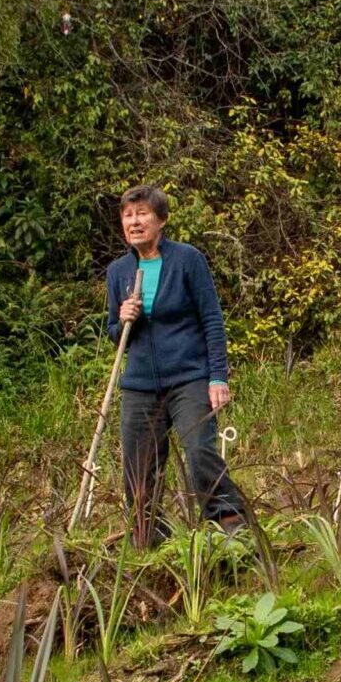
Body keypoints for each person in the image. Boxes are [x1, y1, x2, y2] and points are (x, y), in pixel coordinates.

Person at [105, 184, 253, 548]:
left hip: (189, 378)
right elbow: (113, 332)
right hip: (140, 385)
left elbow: (212, 320)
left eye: (142, 214)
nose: (134, 222)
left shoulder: (187, 260)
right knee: (138, 470)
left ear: (161, 220)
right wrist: (124, 318)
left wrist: (217, 376)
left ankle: (232, 525)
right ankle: (154, 543)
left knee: (200, 452)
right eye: (128, 216)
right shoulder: (119, 271)